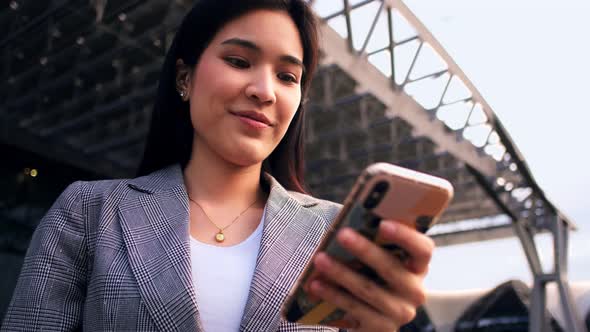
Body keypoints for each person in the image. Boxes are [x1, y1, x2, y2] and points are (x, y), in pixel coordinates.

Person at [2, 0, 434, 331]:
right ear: (184, 78)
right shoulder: (88, 211)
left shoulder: (334, 234)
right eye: (239, 61)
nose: (265, 91)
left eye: (288, 76)